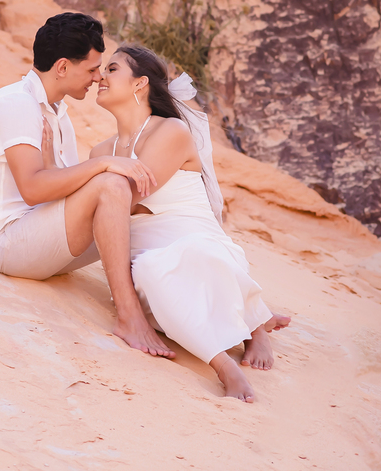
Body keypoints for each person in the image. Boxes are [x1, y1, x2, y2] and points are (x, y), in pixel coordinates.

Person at [51, 44, 290, 402]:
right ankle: (245, 326)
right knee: (150, 269)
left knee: (177, 260)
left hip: (195, 241)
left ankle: (234, 355)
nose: (100, 76)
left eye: (112, 69)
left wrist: (102, 188)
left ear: (139, 84)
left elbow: (124, 198)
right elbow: (103, 205)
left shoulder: (171, 132)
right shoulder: (100, 153)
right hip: (146, 260)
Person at [0, 13, 174, 357]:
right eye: (92, 69)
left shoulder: (56, 112)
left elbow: (64, 188)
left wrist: (68, 169)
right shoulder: (17, 103)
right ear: (62, 67)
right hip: (9, 243)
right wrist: (103, 163)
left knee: (142, 211)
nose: (97, 78)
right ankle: (128, 316)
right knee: (111, 185)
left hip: (41, 234)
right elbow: (34, 189)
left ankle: (206, 304)